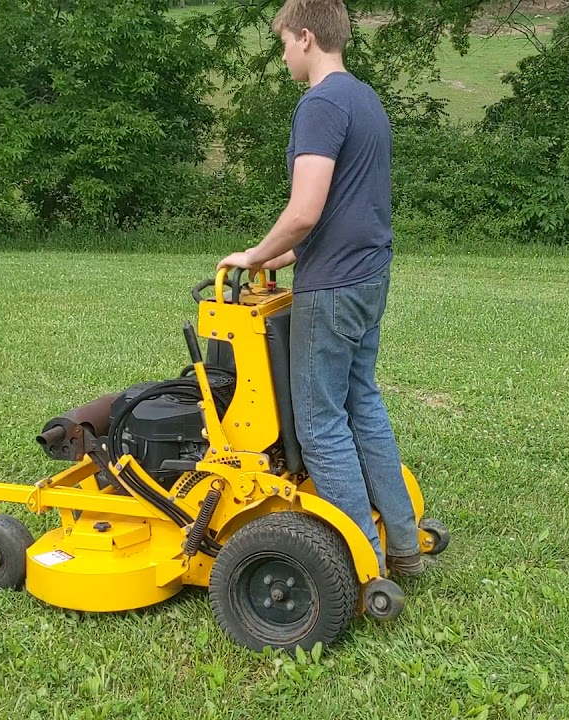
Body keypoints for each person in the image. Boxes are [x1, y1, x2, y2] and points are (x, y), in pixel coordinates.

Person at [216, 0, 424, 577]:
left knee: (321, 422)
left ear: (306, 37)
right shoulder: (365, 98)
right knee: (363, 403)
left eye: (283, 41)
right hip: (367, 276)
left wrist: (254, 254)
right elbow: (343, 209)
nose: (283, 54)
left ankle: (362, 567)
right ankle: (404, 545)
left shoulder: (320, 103)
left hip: (332, 288)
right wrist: (281, 258)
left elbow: (306, 210)